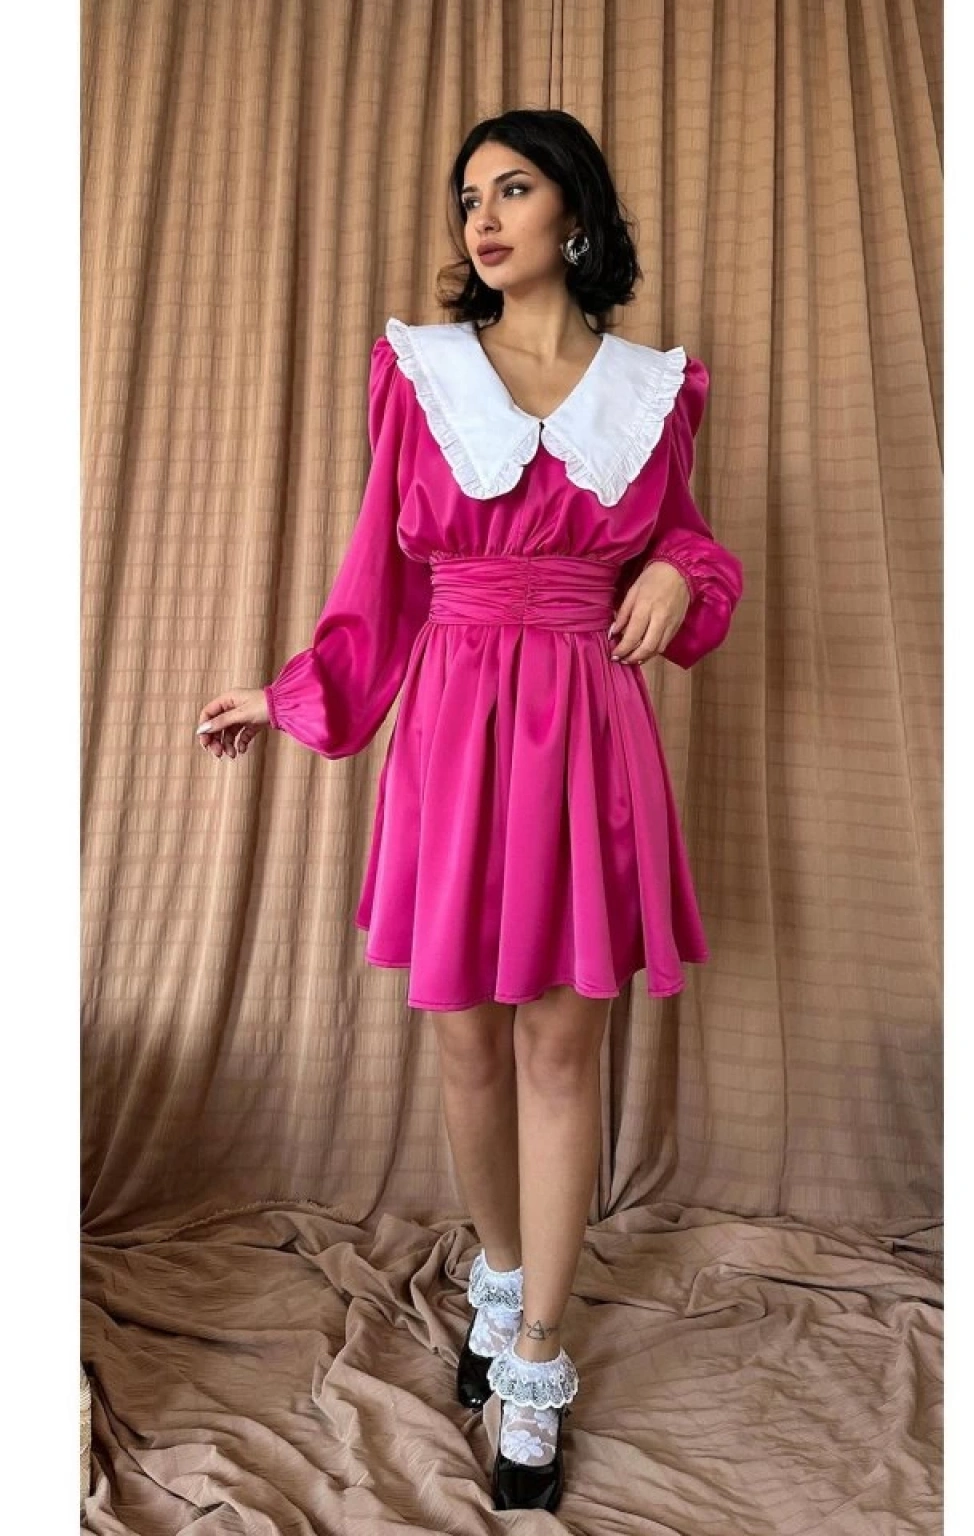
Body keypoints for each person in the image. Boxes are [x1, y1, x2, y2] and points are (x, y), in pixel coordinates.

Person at [195, 108, 744, 1514]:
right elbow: (378, 572)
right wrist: (292, 693)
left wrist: (680, 569)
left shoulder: (656, 390)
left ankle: (539, 1360)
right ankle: (501, 1281)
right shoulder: (421, 373)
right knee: (466, 1044)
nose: (483, 218)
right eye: (468, 199)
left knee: (563, 1047)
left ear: (577, 214)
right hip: (452, 723)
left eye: (513, 189)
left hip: (588, 729)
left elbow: (689, 539)